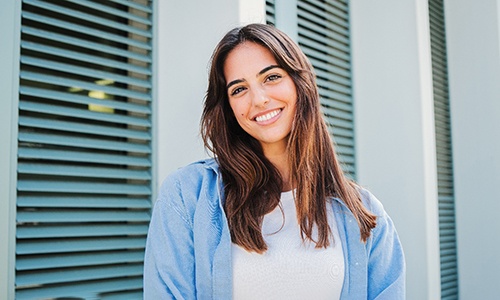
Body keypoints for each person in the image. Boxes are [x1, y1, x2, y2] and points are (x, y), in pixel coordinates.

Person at [144, 23, 405, 299]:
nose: (258, 99)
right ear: (229, 108)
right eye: (239, 89)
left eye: (271, 77)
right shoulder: (187, 196)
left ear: (299, 83)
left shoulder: (364, 213)